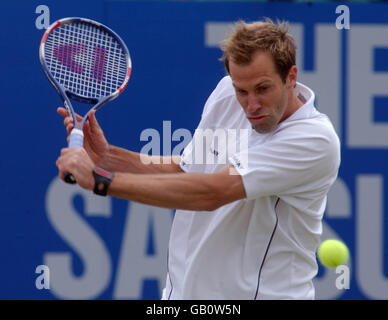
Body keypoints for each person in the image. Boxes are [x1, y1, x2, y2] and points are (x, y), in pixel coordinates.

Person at [56, 19, 340, 300]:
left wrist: (100, 181)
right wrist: (109, 156)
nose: (251, 106)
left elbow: (212, 193)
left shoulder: (314, 140)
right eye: (242, 90)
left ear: (291, 76)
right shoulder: (226, 93)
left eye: (263, 89)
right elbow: (187, 170)